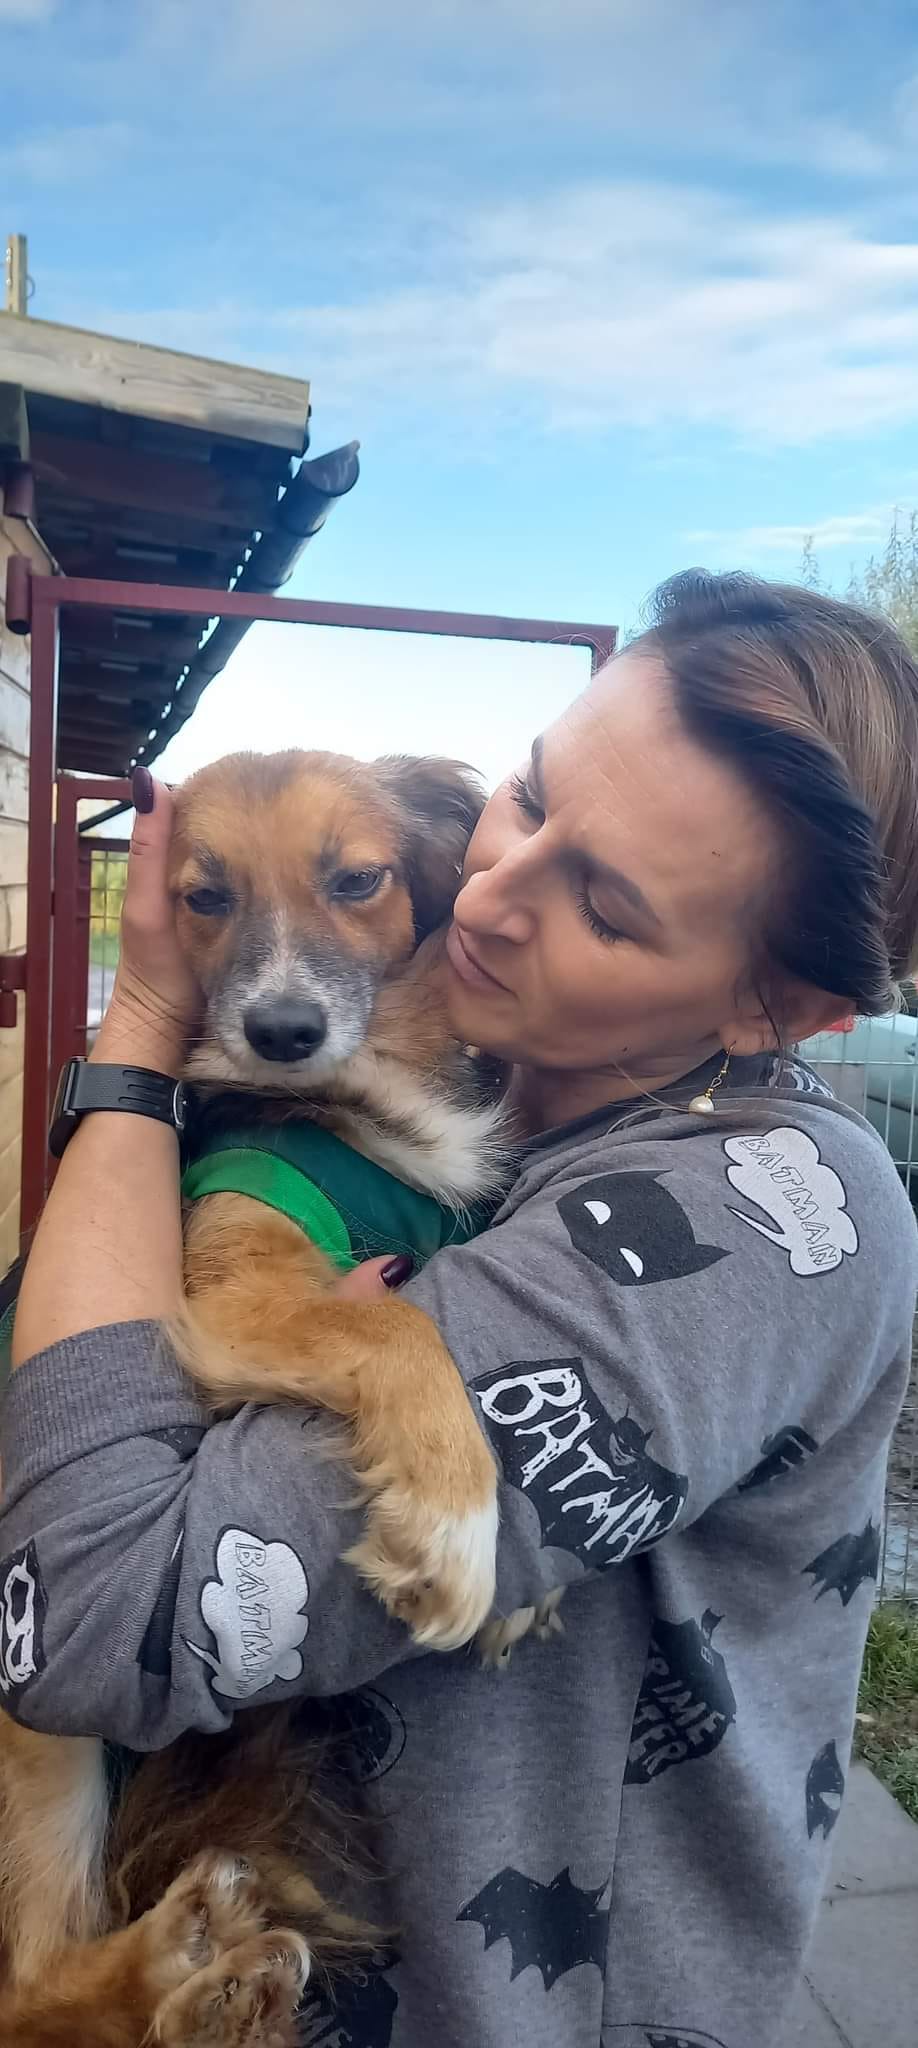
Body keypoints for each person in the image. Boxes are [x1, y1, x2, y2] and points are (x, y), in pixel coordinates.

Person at [1, 569, 917, 2048]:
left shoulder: (767, 1210)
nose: (486, 895)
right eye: (527, 798)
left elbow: (81, 1617)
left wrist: (143, 1057)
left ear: (777, 1010)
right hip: (257, 1918)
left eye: (600, 903)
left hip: (520, 1996)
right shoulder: (488, 1088)